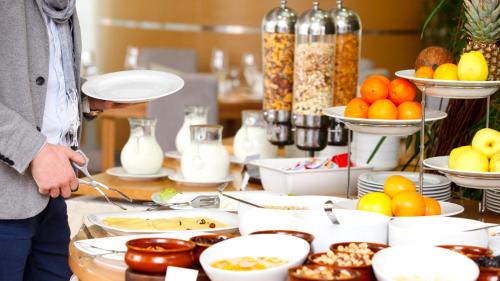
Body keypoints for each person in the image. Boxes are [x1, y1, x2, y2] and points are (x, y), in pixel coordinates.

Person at [0, 0, 123, 280]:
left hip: (51, 195)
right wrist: (35, 151)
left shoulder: (63, 4)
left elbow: (41, 84)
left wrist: (88, 99)